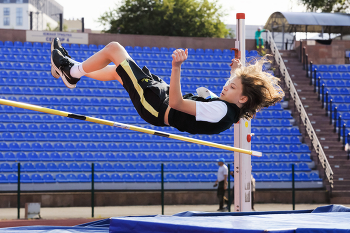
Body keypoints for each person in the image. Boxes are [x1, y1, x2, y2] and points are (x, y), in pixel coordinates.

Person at [50, 38, 284, 135]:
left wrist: (176, 67)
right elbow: (226, 97)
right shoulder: (228, 110)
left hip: (158, 106)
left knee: (114, 49)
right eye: (229, 84)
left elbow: (176, 103)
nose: (226, 87)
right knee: (116, 72)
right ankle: (71, 71)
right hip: (159, 102)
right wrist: (236, 75)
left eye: (232, 87)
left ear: (242, 99)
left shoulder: (222, 110)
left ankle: (72, 72)